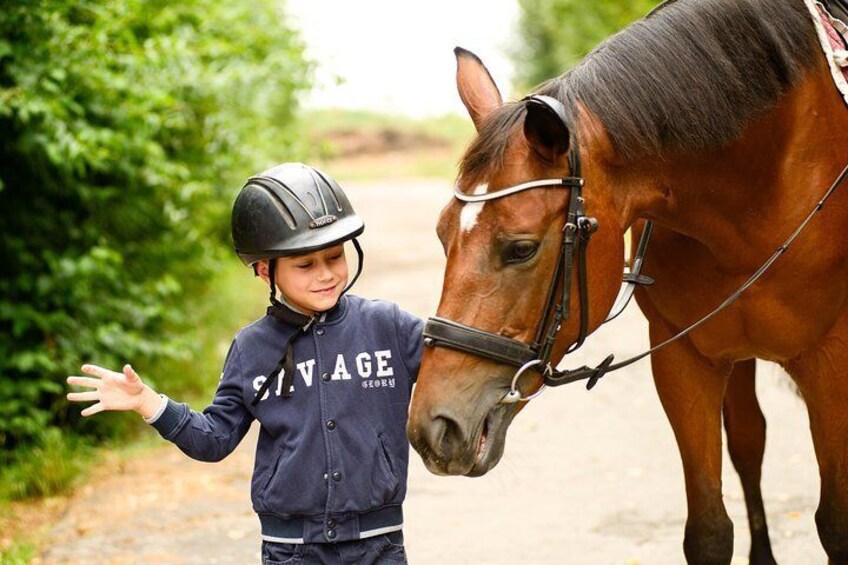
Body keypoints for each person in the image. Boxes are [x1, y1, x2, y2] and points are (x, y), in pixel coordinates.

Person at [67, 162, 424, 564]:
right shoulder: (252, 348)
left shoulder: (387, 326)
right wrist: (149, 403)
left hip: (378, 546)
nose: (326, 274)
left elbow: (460, 365)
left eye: (334, 256)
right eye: (305, 264)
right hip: (292, 552)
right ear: (264, 269)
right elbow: (215, 438)